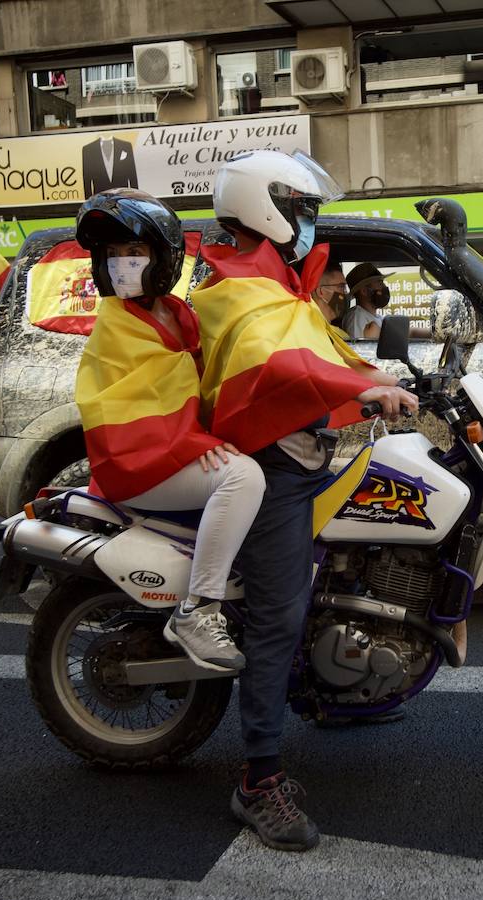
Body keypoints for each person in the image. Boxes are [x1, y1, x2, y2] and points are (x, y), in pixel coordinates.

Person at [193, 150, 418, 852]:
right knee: (278, 616)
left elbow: (319, 354)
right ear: (269, 208)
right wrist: (364, 388)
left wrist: (382, 373)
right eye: (302, 210)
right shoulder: (237, 286)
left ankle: (334, 691)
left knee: (341, 570)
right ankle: (258, 781)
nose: (308, 224)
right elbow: (283, 364)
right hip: (269, 467)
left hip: (297, 454)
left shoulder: (274, 281)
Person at [73, 188, 264, 682]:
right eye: (113, 256)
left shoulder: (180, 316)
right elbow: (135, 416)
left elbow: (203, 385)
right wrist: (200, 444)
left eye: (133, 253)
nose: (121, 266)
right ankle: (199, 611)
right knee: (242, 479)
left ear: (164, 257)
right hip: (135, 465)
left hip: (168, 455)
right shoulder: (116, 326)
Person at [340, 262, 387, 339]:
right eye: (380, 283)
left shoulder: (377, 317)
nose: (384, 287)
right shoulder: (356, 318)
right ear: (364, 291)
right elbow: (358, 349)